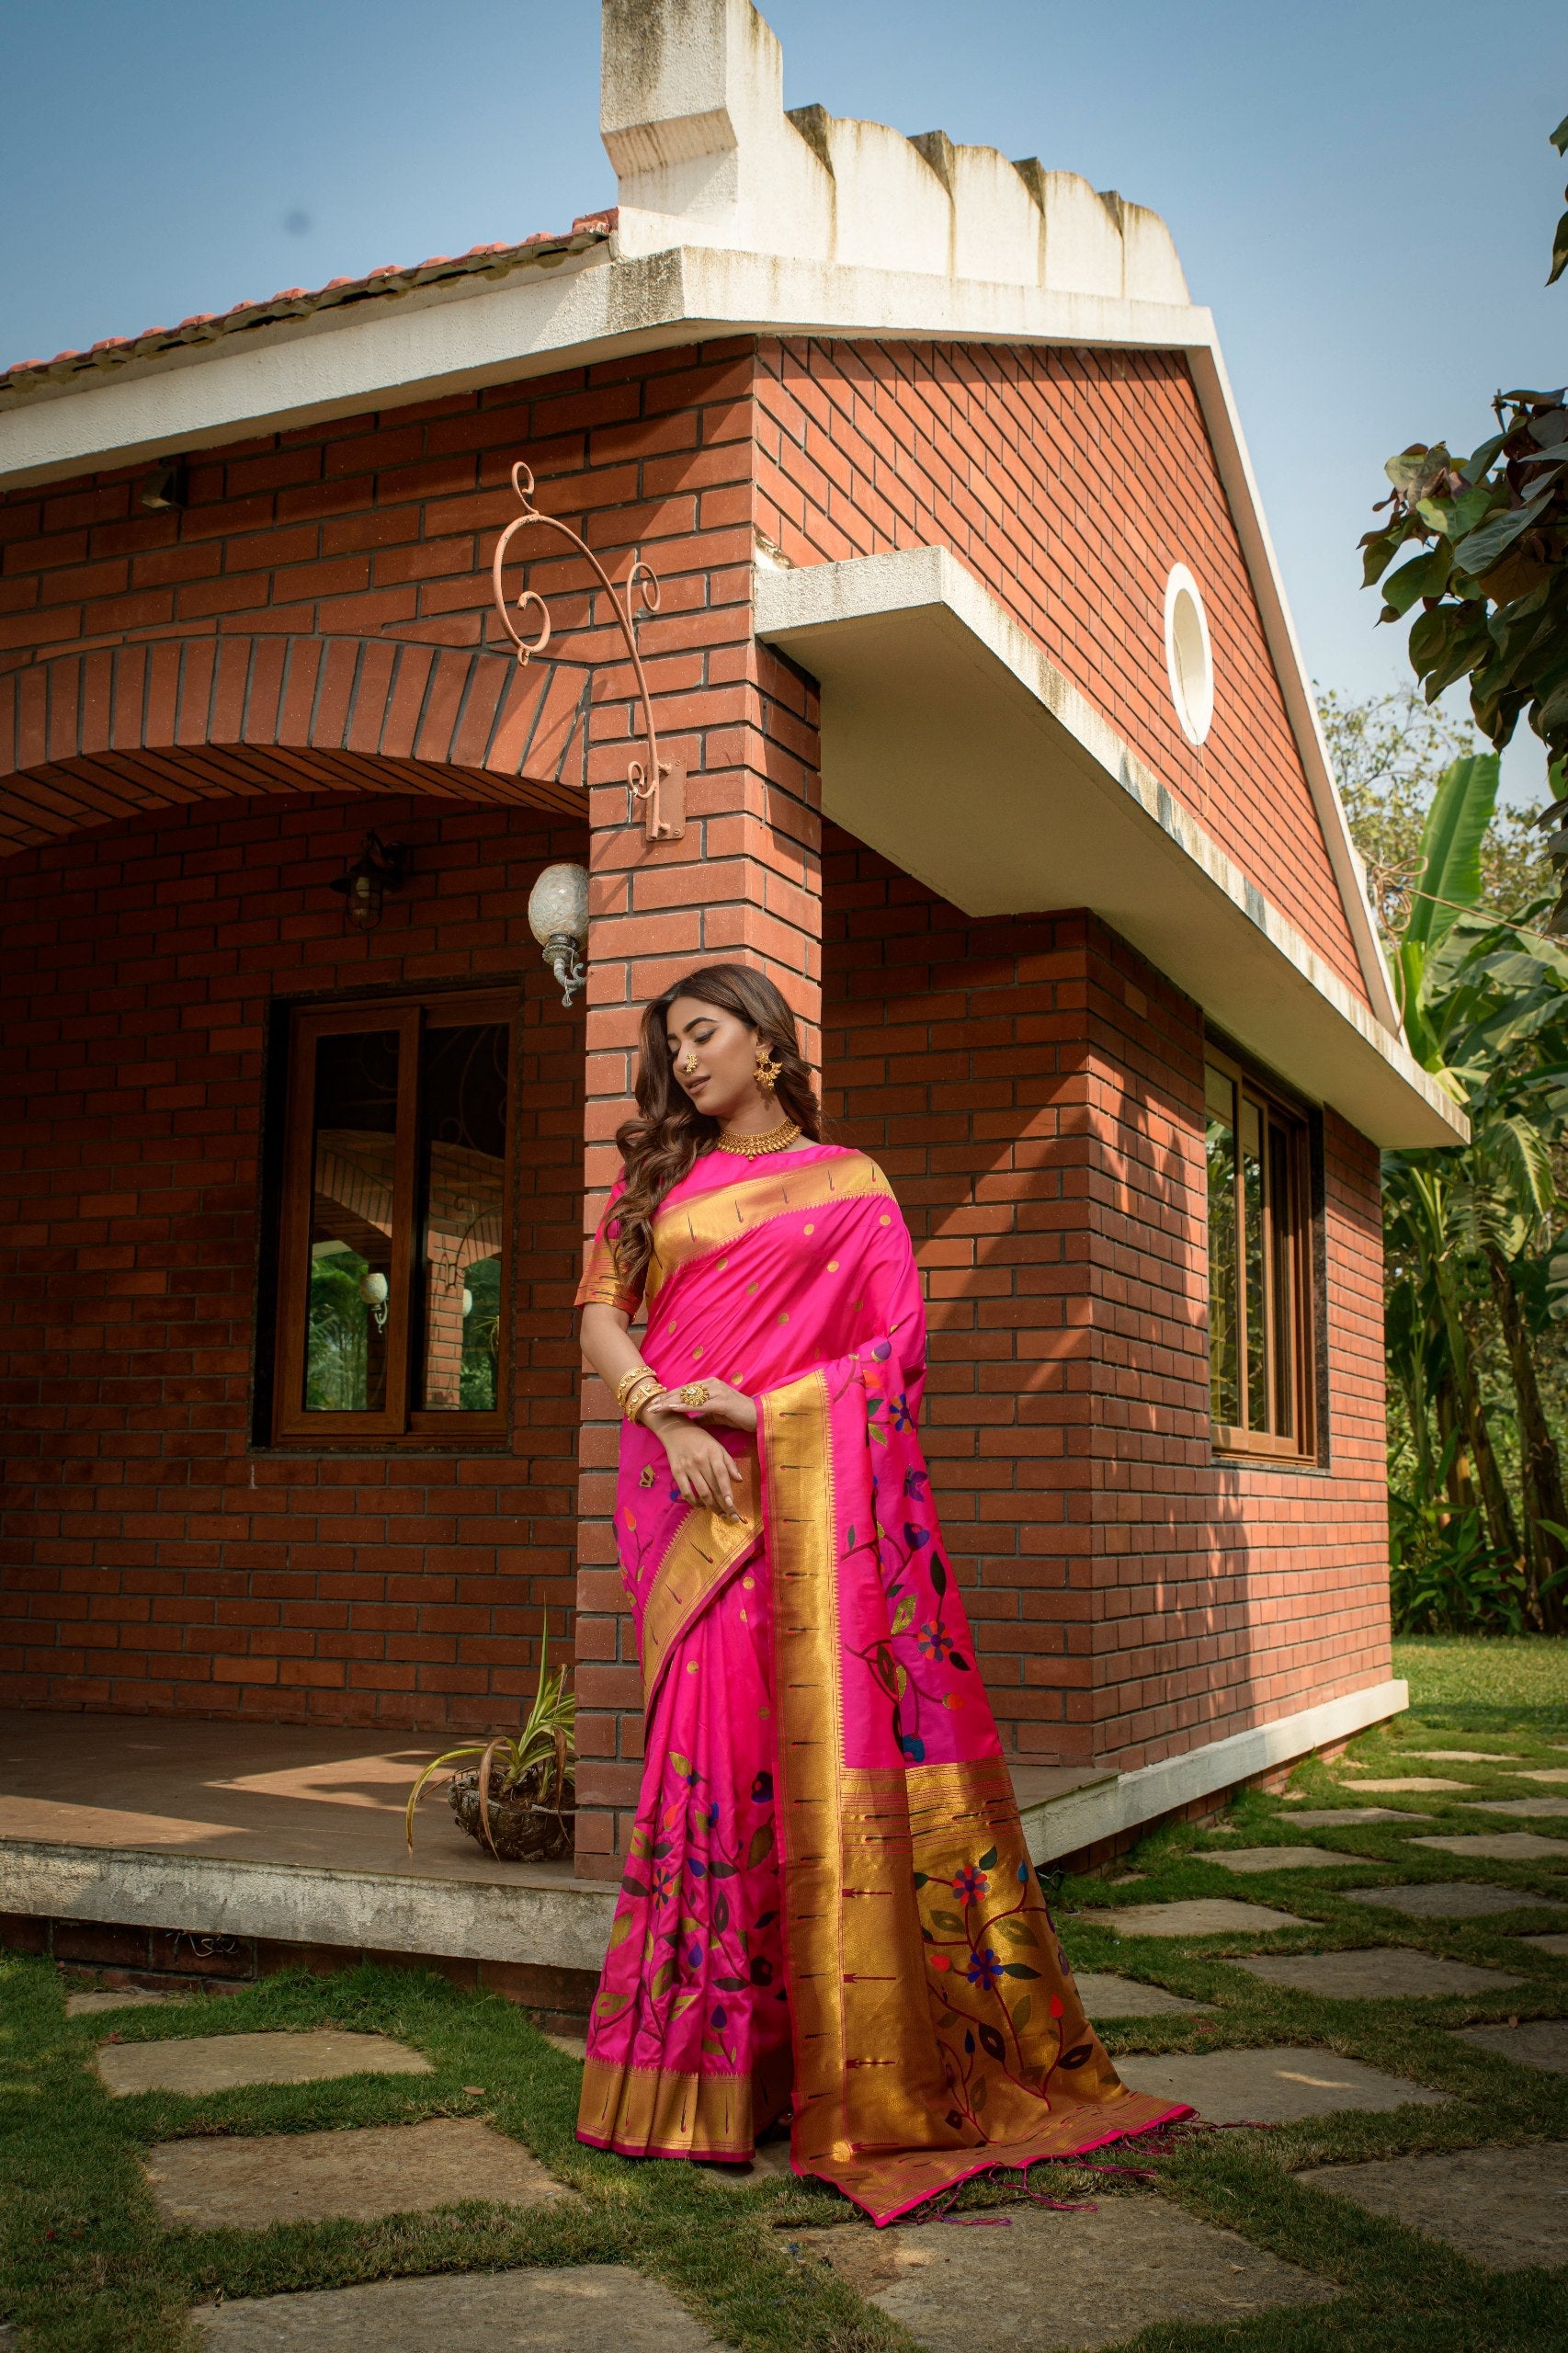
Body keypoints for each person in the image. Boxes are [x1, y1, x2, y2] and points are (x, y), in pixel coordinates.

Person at [574, 961, 1186, 2225]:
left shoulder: (851, 1186)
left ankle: (821, 2065)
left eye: (701, 1034)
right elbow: (601, 1313)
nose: (684, 1062)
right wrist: (662, 1418)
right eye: (670, 1045)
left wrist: (763, 1411)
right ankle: (688, 2082)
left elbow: (894, 1357)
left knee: (802, 1770)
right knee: (703, 1768)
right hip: (682, 1498)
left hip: (791, 1495)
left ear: (764, 1037)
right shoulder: (659, 1183)